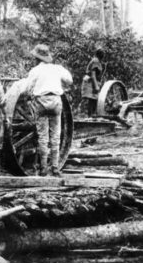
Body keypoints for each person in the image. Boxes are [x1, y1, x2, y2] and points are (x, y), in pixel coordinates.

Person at [25, 44, 73, 177]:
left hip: (41, 101)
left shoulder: (35, 70)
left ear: (36, 58)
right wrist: (60, 84)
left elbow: (28, 87)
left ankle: (44, 168)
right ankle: (56, 167)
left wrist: (30, 96)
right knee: (55, 135)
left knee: (42, 136)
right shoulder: (58, 69)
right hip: (56, 101)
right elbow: (69, 80)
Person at [80, 49, 105, 118]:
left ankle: (91, 117)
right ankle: (89, 117)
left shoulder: (97, 61)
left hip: (93, 82)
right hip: (90, 83)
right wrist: (96, 86)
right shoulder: (95, 61)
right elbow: (93, 74)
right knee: (91, 101)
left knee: (93, 101)